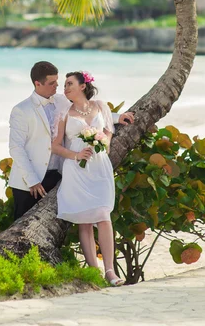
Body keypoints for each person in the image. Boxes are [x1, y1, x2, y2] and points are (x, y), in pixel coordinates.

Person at [8, 61, 134, 221]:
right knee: (22, 229)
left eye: (57, 81)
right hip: (28, 183)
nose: (57, 86)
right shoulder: (21, 110)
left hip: (57, 176)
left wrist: (117, 117)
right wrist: (32, 181)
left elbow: (85, 112)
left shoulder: (62, 100)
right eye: (52, 83)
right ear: (37, 83)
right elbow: (16, 148)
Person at [51, 70, 124, 286]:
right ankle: (95, 273)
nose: (65, 89)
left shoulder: (101, 106)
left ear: (83, 86)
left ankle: (110, 271)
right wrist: (75, 155)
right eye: (64, 85)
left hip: (100, 166)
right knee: (84, 221)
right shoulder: (64, 113)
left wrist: (105, 143)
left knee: (103, 215)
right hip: (77, 169)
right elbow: (55, 146)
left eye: (69, 84)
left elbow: (109, 130)